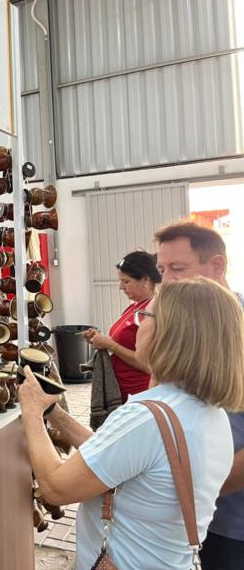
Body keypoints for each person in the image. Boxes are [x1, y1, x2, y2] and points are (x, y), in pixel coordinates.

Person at [19, 277, 244, 569]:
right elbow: (115, 458)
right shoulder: (208, 412)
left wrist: (32, 413)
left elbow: (55, 488)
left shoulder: (148, 417)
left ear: (169, 333)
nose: (138, 324)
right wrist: (57, 415)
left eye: (145, 315)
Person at [133, 221, 244, 569]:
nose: (166, 281)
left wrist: (197, 493)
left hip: (230, 521)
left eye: (178, 269)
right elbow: (152, 379)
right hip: (191, 514)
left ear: (217, 266)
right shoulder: (180, 324)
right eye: (162, 270)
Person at [82, 251, 161, 402]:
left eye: (126, 282)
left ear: (145, 279)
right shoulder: (135, 307)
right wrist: (100, 339)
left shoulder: (153, 312)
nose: (121, 287)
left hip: (138, 393)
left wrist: (111, 345)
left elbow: (148, 365)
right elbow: (124, 342)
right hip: (122, 391)